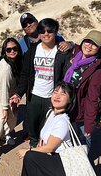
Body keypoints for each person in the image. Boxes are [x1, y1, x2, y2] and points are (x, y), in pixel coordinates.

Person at [10, 18, 66, 148]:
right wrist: (19, 94)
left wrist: (71, 44)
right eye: (42, 31)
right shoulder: (33, 51)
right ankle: (34, 145)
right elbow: (25, 75)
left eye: (50, 31)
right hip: (34, 95)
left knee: (48, 125)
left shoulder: (62, 52)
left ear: (56, 32)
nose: (46, 34)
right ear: (39, 33)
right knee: (32, 124)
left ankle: (45, 148)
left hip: (51, 96)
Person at [60, 30, 101, 151]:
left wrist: (89, 127)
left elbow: (92, 99)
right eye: (87, 41)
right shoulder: (77, 55)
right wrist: (70, 43)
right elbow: (76, 46)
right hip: (66, 108)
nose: (89, 46)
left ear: (99, 48)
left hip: (79, 114)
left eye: (94, 44)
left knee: (80, 149)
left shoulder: (98, 71)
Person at [17, 82, 76, 176]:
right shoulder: (50, 113)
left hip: (63, 162)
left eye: (63, 93)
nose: (57, 96)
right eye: (55, 92)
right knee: (31, 158)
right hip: (52, 158)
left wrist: (28, 151)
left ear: (69, 100)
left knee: (30, 156)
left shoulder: (63, 121)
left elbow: (50, 147)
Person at [0, 38, 22, 164]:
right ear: (4, 52)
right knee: (1, 118)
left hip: (9, 92)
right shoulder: (5, 68)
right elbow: (3, 90)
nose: (12, 51)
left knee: (13, 117)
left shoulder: (18, 62)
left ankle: (4, 134)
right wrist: (5, 108)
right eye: (8, 49)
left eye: (15, 49)